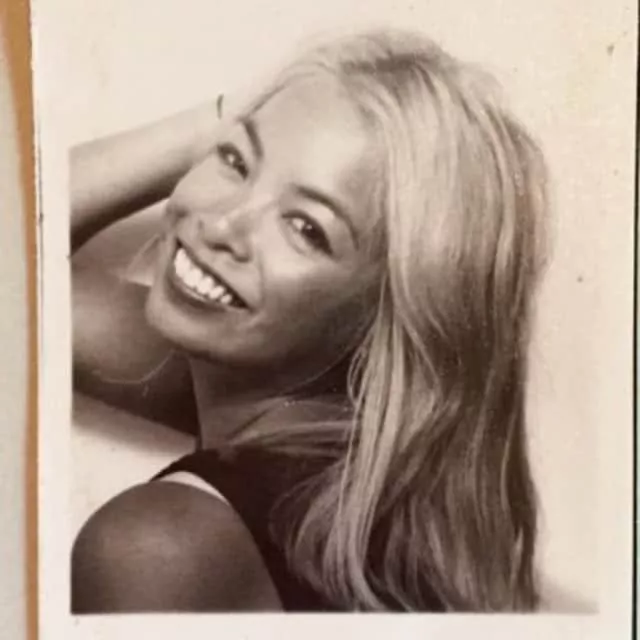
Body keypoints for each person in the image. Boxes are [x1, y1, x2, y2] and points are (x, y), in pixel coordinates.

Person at [70, 28, 548, 613]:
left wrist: (245, 126)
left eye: (306, 228)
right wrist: (253, 110)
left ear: (390, 312)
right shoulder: (372, 469)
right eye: (234, 161)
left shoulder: (162, 547)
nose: (221, 225)